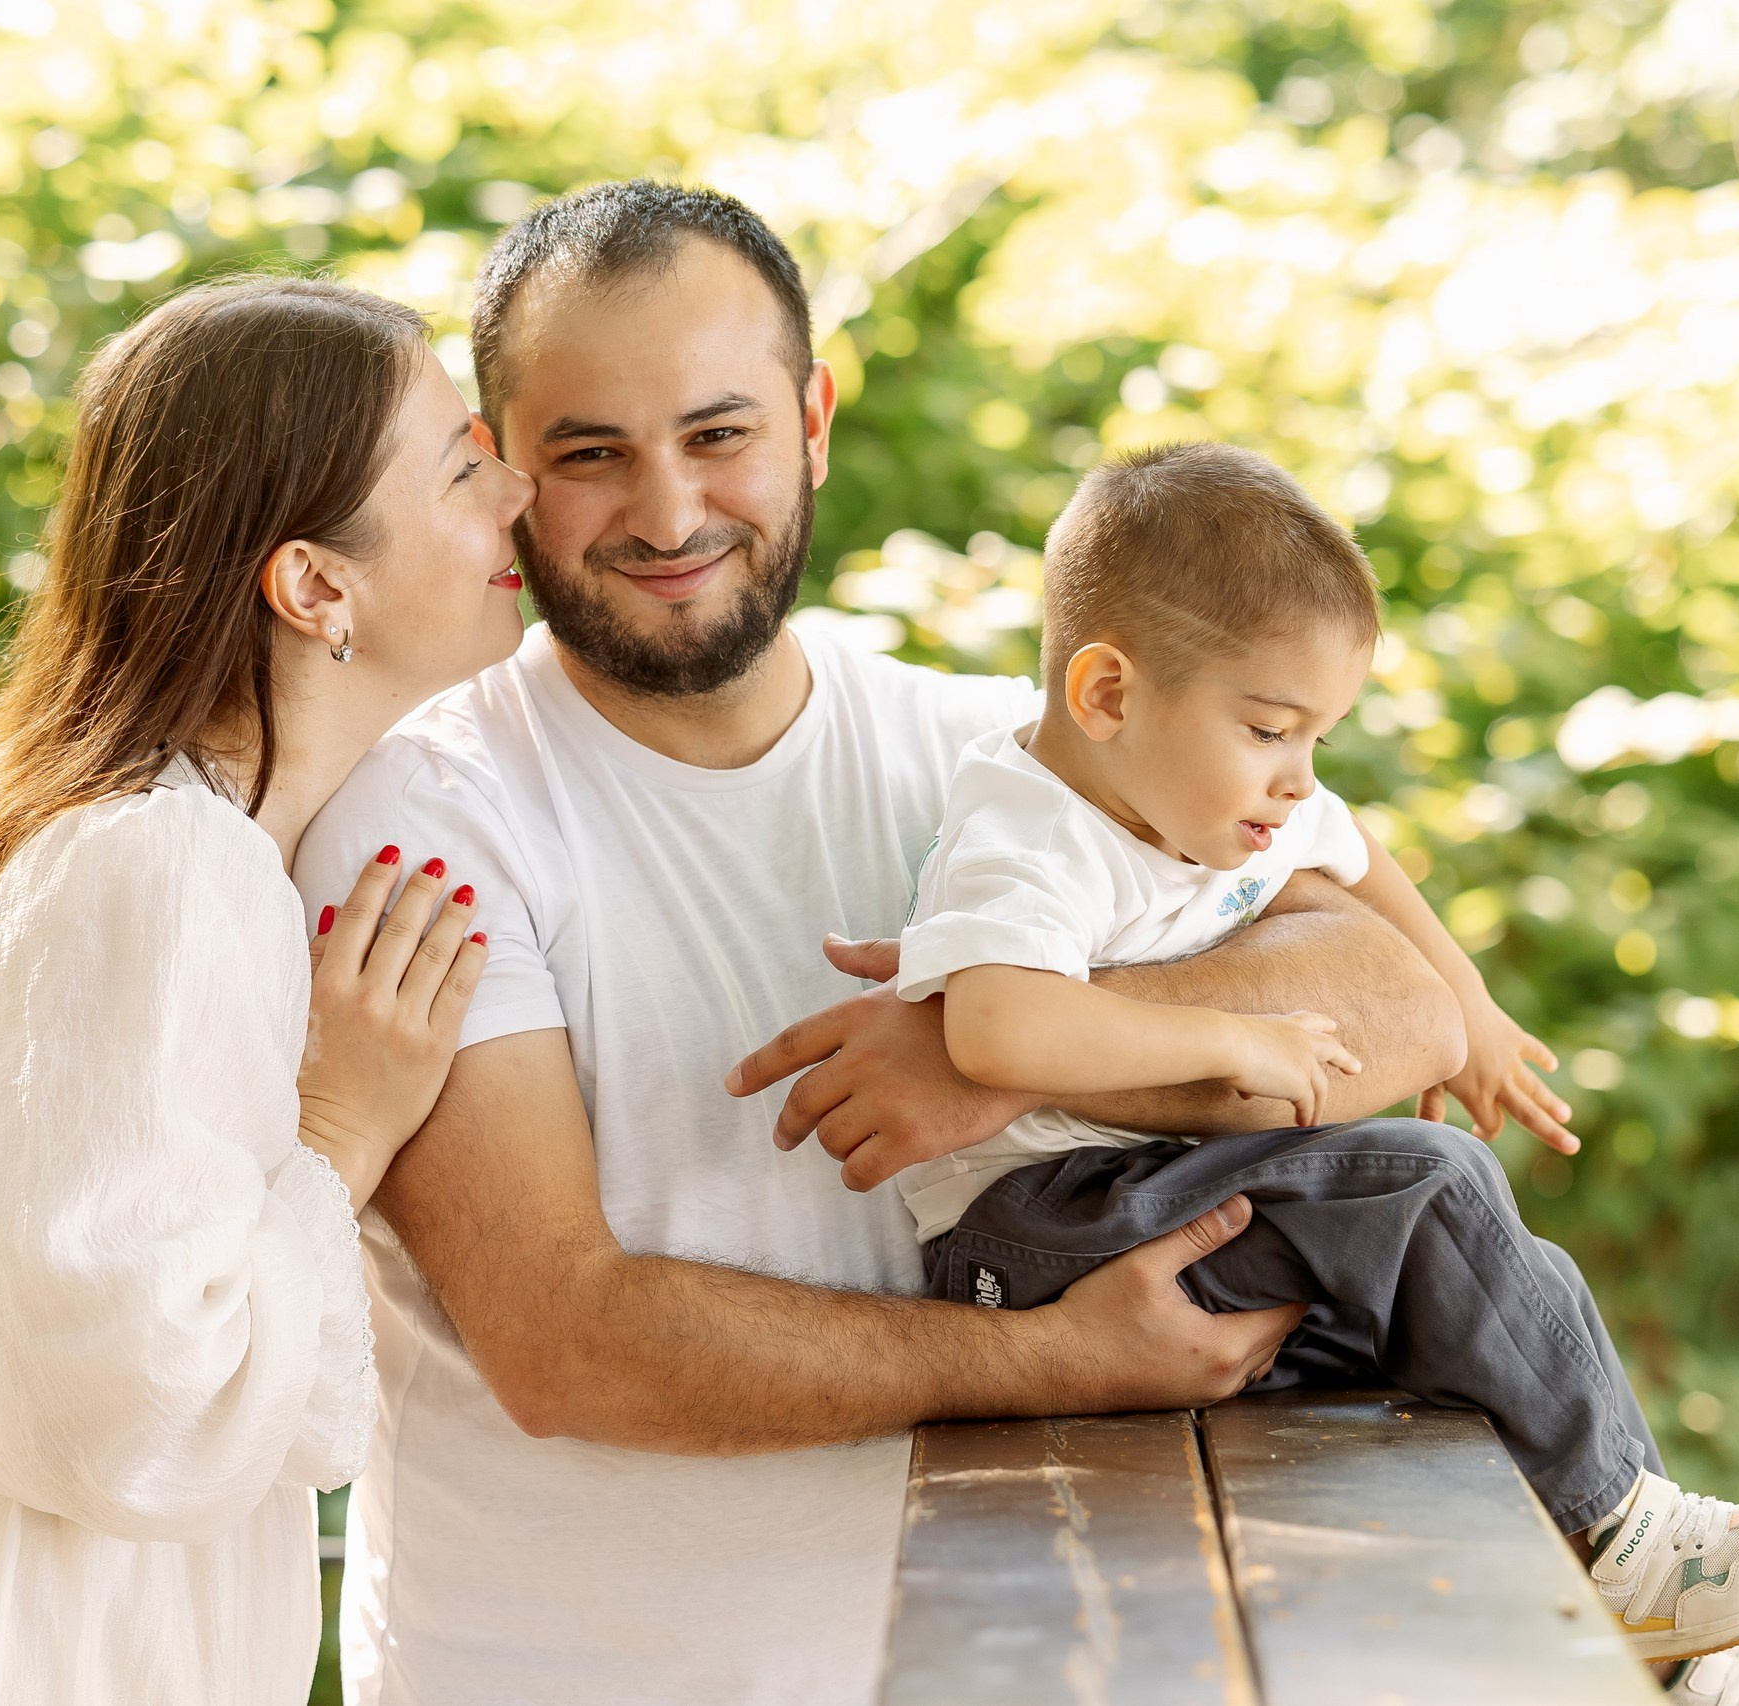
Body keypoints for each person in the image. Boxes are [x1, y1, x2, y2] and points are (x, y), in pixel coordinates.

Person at [292, 181, 1466, 1706]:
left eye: (720, 435)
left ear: (813, 420)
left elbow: (1404, 1005)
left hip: (1011, 1661)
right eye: (591, 453)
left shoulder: (1004, 755)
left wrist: (1003, 1040)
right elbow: (562, 1339)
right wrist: (1047, 1362)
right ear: (509, 473)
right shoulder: (426, 818)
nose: (665, 512)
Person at [0, 277, 533, 1706]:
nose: (512, 492)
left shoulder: (196, 836)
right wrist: (341, 1128)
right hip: (13, 1619)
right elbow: (130, 1406)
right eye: (459, 464)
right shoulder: (162, 861)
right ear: (317, 583)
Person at [893, 441, 1739, 1688]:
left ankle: (1679, 1658)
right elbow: (997, 1031)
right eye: (1267, 729)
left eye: (1316, 733)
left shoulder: (1209, 789)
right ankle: (1631, 1538)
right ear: (1105, 692)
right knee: (1426, 1184)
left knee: (1466, 1318)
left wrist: (1473, 1019)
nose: (1295, 775)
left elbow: (1359, 861)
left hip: (1156, 1192)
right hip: (1027, 1237)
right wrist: (1231, 1040)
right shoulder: (1028, 834)